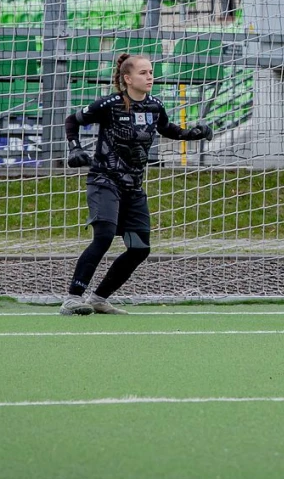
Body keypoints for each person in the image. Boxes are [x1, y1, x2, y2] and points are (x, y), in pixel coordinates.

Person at [61, 53, 212, 315]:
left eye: (151, 72)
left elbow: (167, 129)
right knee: (104, 237)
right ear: (128, 79)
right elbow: (72, 121)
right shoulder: (109, 104)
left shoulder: (155, 106)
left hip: (133, 188)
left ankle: (99, 298)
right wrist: (75, 148)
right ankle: (73, 298)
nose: (150, 77)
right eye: (143, 73)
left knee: (140, 249)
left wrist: (192, 133)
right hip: (104, 181)